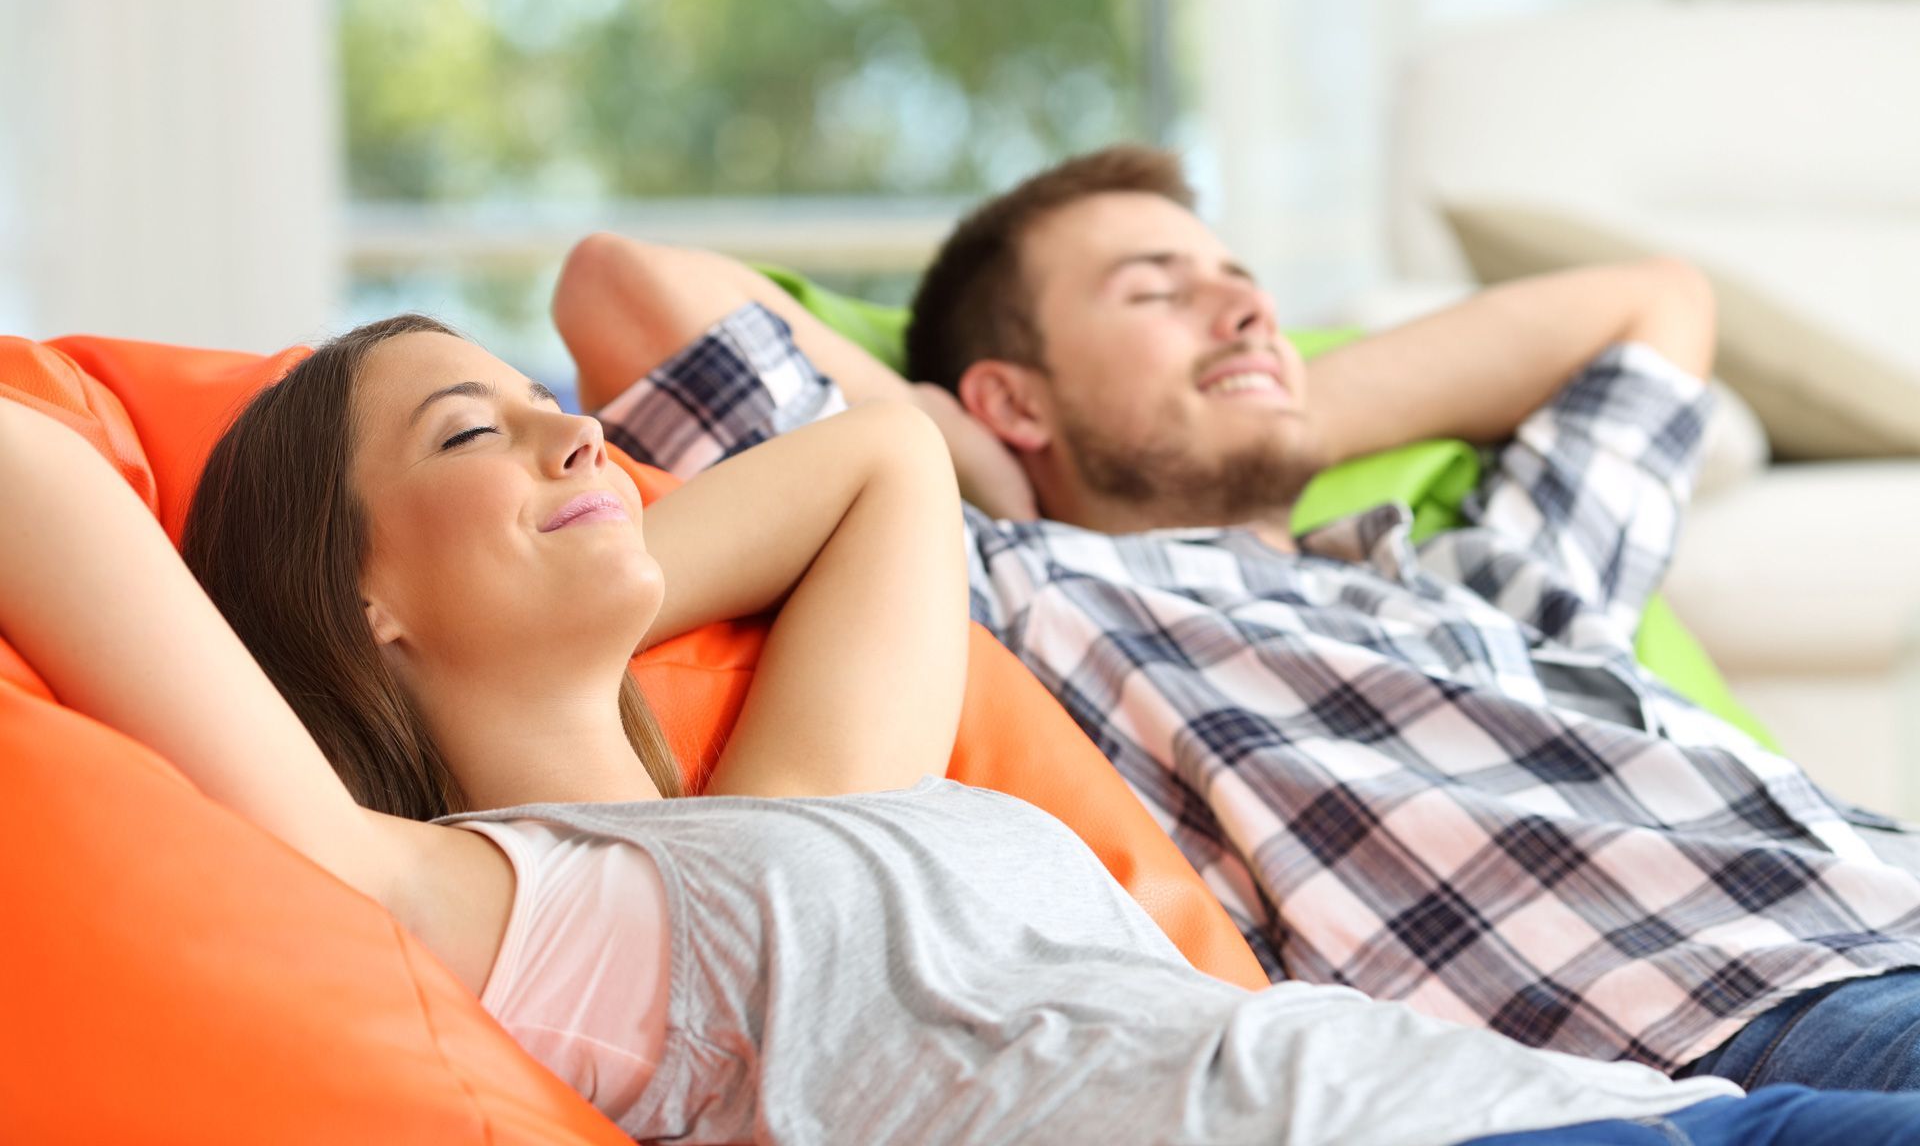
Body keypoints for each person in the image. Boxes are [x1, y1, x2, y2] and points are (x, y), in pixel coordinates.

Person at [8, 315, 1920, 1145]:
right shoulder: (496, 913)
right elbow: (33, 471)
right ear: (360, 599)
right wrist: (526, 587)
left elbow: (877, 470)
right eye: (467, 435)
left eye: (545, 402)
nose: (568, 429)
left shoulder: (794, 803)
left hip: (1592, 1106)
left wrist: (571, 556)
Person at [552, 143, 1920, 1096]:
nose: (1247, 304)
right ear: (1012, 398)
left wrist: (1283, 403)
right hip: (1747, 1016)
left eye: (1242, 283)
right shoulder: (1025, 587)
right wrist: (974, 457)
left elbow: (1651, 307)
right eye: (1154, 290)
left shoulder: (1485, 578)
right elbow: (627, 289)